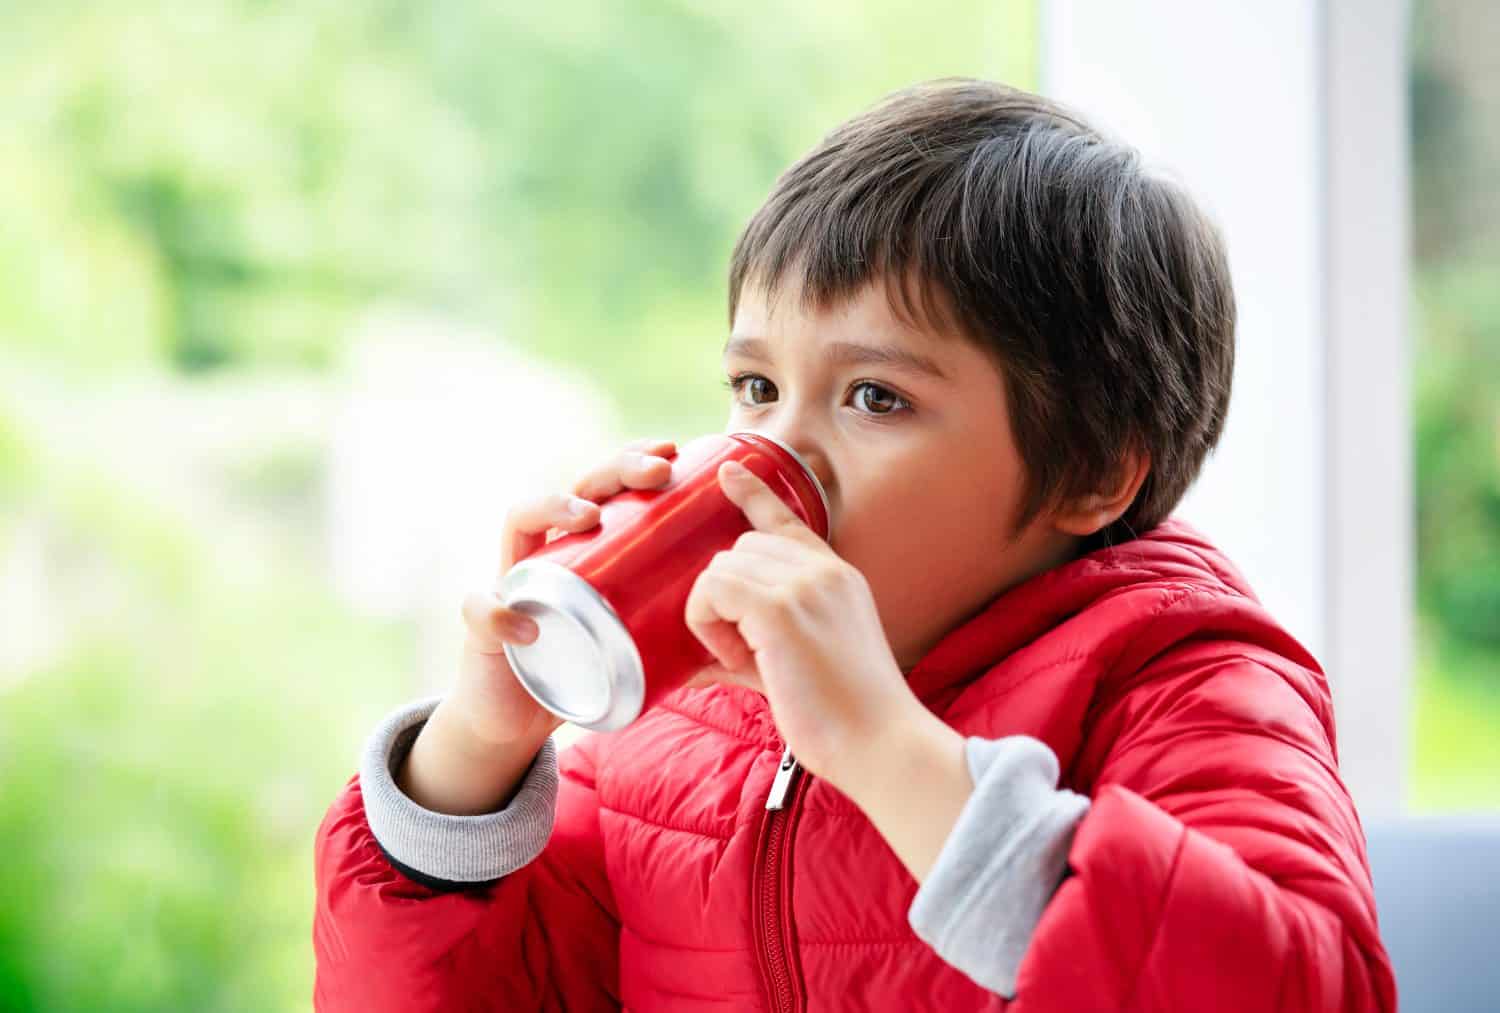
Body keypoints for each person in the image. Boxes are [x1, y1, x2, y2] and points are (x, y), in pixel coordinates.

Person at [312, 78, 1396, 1011]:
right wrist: (473, 754)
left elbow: (1290, 980)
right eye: (756, 387)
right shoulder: (681, 727)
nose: (772, 457)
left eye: (874, 395)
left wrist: (884, 745)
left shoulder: (1182, 682)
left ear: (1092, 470)